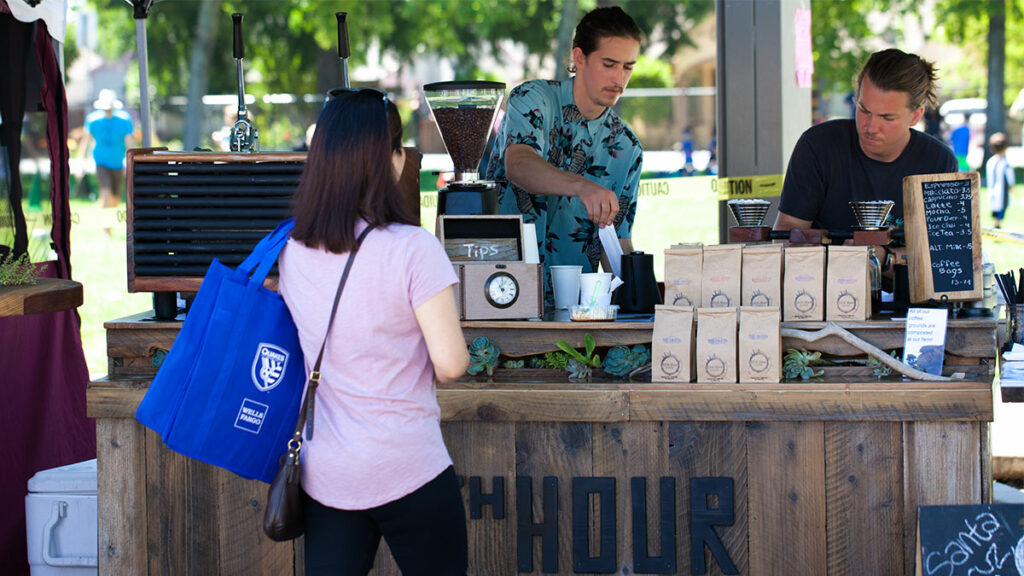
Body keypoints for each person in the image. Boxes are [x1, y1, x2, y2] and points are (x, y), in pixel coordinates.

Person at [278, 89, 470, 575]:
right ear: (393, 157)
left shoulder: (292, 249)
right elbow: (451, 365)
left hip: (328, 475)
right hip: (410, 466)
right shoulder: (412, 249)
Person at [482, 6, 645, 306]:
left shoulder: (627, 148)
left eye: (627, 67)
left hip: (575, 312)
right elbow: (518, 164)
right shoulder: (532, 99)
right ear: (579, 57)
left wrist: (635, 305)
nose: (619, 78)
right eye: (609, 64)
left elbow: (618, 241)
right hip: (499, 292)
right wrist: (582, 185)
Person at [775, 48, 958, 234]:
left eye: (887, 118)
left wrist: (887, 255)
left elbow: (944, 249)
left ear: (915, 116)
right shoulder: (818, 146)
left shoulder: (938, 162)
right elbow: (786, 233)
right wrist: (847, 255)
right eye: (863, 110)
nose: (870, 127)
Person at [82, 89, 133, 208]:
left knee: (115, 198)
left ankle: (109, 222)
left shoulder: (124, 119)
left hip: (118, 163)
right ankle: (106, 226)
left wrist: (130, 161)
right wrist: (82, 162)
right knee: (106, 193)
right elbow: (86, 141)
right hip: (101, 161)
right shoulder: (93, 120)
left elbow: (129, 142)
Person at [985, 132, 1015, 229]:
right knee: (1001, 211)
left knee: (995, 209)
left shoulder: (990, 161)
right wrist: (1012, 188)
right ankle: (997, 226)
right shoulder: (1005, 163)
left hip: (991, 191)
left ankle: (996, 224)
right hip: (1002, 193)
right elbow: (1010, 179)